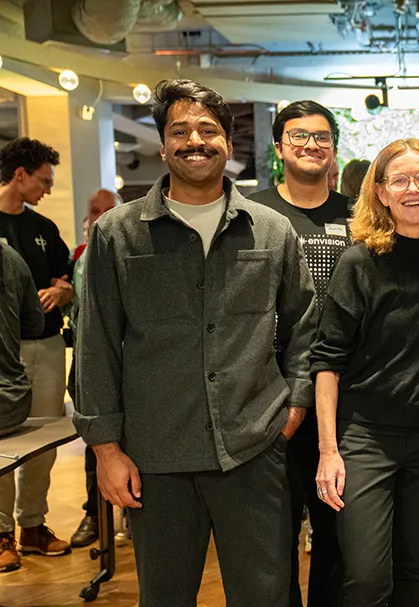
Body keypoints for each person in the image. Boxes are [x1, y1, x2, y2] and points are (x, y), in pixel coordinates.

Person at [74, 79, 318, 607]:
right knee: (165, 597)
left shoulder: (272, 232)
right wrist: (106, 450)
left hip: (253, 451)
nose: (195, 141)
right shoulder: (118, 235)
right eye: (179, 131)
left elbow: (305, 329)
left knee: (267, 596)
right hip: (156, 457)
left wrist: (294, 408)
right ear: (162, 145)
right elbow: (96, 344)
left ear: (229, 144)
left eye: (208, 130)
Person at [309, 138, 419, 607]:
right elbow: (327, 361)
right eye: (400, 180)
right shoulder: (359, 263)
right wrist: (329, 451)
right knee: (368, 578)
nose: (413, 188)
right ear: (380, 192)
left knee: (415, 569)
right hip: (365, 440)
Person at [248, 100, 349, 607]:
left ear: (334, 147)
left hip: (345, 402)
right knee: (274, 534)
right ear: (279, 146)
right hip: (273, 398)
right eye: (299, 136)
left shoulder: (358, 216)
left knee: (338, 536)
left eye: (322, 136)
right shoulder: (253, 214)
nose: (311, 145)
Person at [0, 137, 73, 564]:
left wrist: (62, 291)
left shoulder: (44, 229)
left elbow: (67, 277)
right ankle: (1, 533)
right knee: (2, 442)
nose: (47, 189)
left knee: (43, 440)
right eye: (43, 180)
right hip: (3, 351)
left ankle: (31, 525)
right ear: (20, 175)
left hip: (45, 344)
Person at [69, 188, 119, 549]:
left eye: (107, 209)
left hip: (125, 363)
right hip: (86, 360)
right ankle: (94, 514)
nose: (99, 216)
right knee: (96, 441)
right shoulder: (78, 257)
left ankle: (132, 517)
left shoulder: (124, 249)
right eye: (94, 210)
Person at [0, 243, 45, 572]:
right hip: (15, 397)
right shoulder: (14, 258)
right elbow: (34, 324)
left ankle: (6, 535)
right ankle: (28, 526)